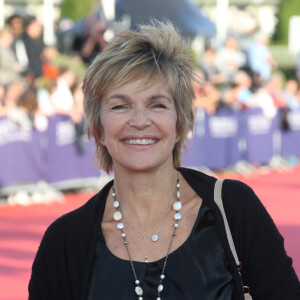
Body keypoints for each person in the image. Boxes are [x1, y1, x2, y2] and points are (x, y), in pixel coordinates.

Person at [28, 22, 300, 300]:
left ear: (180, 123)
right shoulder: (65, 242)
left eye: (157, 104)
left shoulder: (233, 210)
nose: (140, 121)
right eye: (120, 106)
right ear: (98, 129)